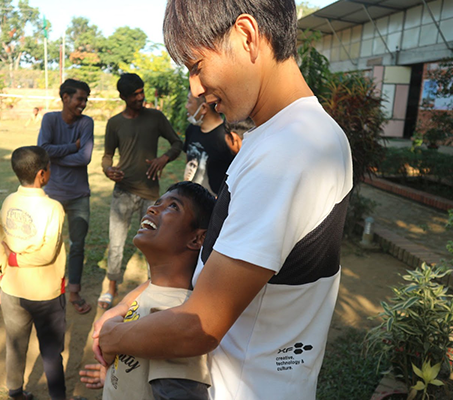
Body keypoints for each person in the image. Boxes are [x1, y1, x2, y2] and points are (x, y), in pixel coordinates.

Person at [95, 1, 354, 399]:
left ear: (247, 36)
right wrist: (130, 304)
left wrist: (115, 337)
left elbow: (200, 324)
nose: (195, 88)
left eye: (197, 65)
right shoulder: (277, 136)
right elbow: (207, 270)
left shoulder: (291, 149)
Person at [80, 181, 215, 400]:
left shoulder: (176, 316)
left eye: (173, 207)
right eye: (158, 202)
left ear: (197, 238)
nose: (153, 208)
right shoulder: (150, 292)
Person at [100, 73, 183, 310]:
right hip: (123, 192)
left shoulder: (155, 117)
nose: (140, 97)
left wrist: (163, 159)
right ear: (123, 97)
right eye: (134, 95)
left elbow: (177, 143)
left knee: (154, 244)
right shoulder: (115, 123)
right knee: (116, 243)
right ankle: (111, 287)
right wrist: (107, 169)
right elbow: (107, 156)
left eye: (141, 92)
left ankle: (154, 289)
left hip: (150, 195)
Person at [0, 146, 72, 400]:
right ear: (42, 174)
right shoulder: (53, 208)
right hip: (45, 295)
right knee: (51, 352)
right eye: (49, 167)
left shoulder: (8, 201)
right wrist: (14, 260)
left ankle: (15, 391)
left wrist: (3, 275)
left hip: (12, 291)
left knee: (15, 346)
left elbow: (1, 241)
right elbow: (46, 254)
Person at [38, 79, 94, 314]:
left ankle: (74, 291)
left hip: (79, 196)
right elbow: (43, 150)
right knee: (48, 244)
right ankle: (47, 290)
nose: (83, 104)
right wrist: (73, 147)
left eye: (85, 99)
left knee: (77, 246)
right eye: (79, 99)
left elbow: (85, 158)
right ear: (65, 98)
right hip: (52, 195)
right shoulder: (50, 119)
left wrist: (55, 154)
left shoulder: (86, 123)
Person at [183, 91, 235, 196]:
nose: (186, 106)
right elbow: (188, 159)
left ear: (203, 108)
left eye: (189, 102)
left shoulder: (227, 138)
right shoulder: (191, 129)